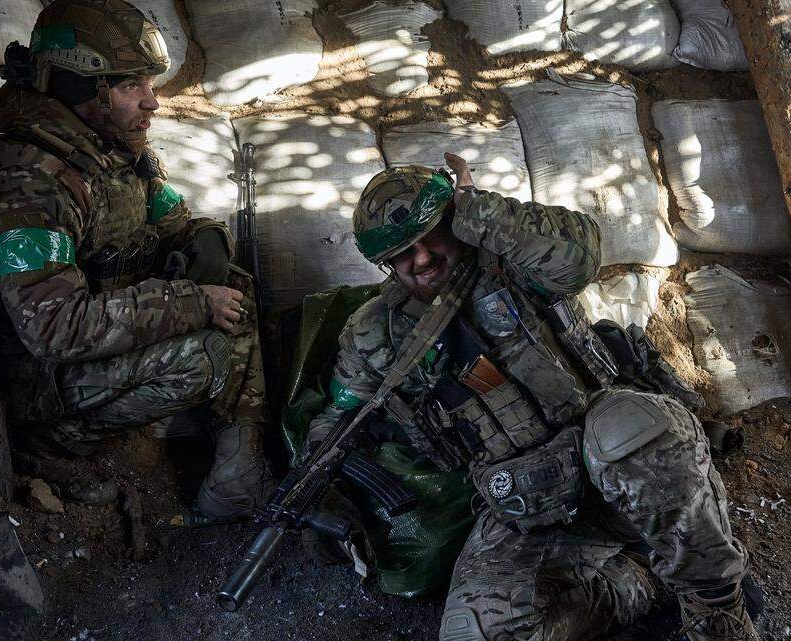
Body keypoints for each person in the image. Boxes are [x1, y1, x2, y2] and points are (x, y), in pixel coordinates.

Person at [303, 153, 759, 641]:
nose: (420, 258)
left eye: (429, 234)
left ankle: (716, 610)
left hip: (623, 463)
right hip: (526, 504)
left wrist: (478, 211)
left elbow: (580, 253)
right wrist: (319, 487)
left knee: (630, 429)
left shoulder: (512, 263)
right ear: (384, 264)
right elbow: (341, 416)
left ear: (450, 218)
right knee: (475, 634)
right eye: (400, 253)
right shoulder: (374, 333)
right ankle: (644, 580)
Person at [0, 0, 272, 519]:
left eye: (148, 85)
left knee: (234, 286)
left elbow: (175, 220)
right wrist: (191, 302)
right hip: (44, 381)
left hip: (101, 342)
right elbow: (52, 328)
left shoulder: (115, 154)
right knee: (202, 355)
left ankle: (239, 472)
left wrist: (206, 242)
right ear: (78, 86)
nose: (152, 103)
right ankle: (56, 446)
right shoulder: (31, 182)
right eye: (131, 85)